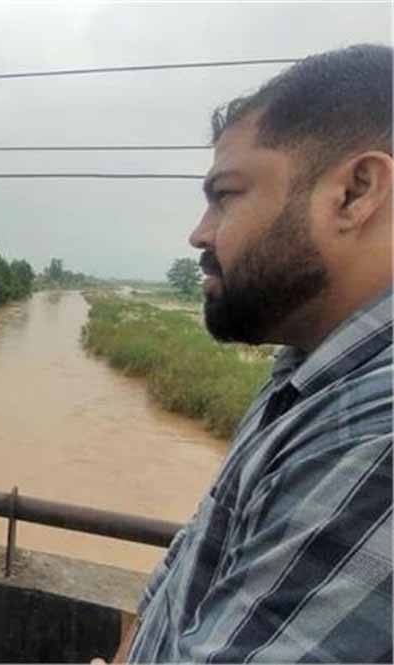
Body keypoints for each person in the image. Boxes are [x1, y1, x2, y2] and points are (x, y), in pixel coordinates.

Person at [120, 44, 392, 662]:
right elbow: (180, 578)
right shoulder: (304, 374)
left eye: (226, 195)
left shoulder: (380, 428)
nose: (199, 233)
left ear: (354, 193)